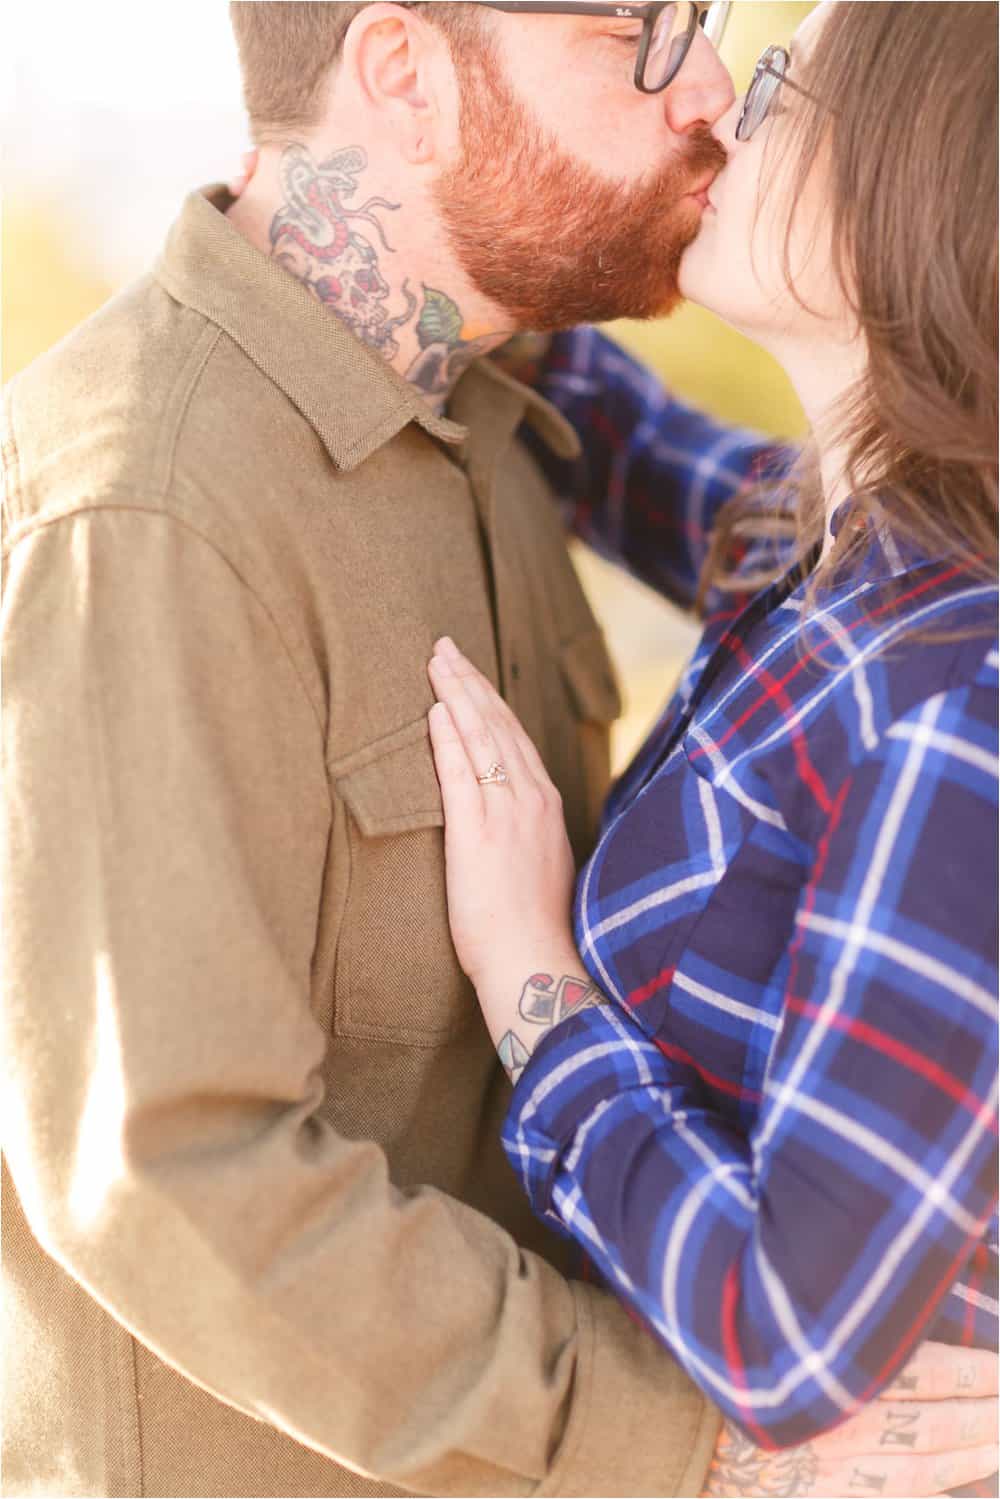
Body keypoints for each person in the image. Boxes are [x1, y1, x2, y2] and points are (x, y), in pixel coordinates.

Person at [1, 2, 990, 1497]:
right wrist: (684, 1442)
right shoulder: (153, 514)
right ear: (405, 71)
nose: (711, 97)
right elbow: (165, 1170)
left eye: (735, 46)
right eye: (647, 31)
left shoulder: (535, 433)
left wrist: (538, 985)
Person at [424, 2, 999, 1494]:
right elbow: (600, 431)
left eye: (784, 89)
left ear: (928, 184)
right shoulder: (831, 553)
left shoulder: (966, 703)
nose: (721, 113)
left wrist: (530, 980)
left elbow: (787, 1339)